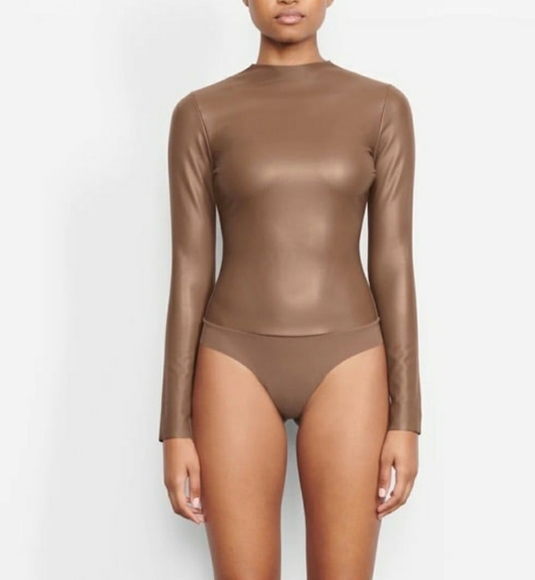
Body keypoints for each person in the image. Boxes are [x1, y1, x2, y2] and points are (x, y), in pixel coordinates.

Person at [159, 1, 422, 577]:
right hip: (233, 361)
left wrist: (407, 418)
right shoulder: (201, 113)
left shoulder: (381, 107)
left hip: (350, 361)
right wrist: (173, 428)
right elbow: (190, 268)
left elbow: (393, 261)